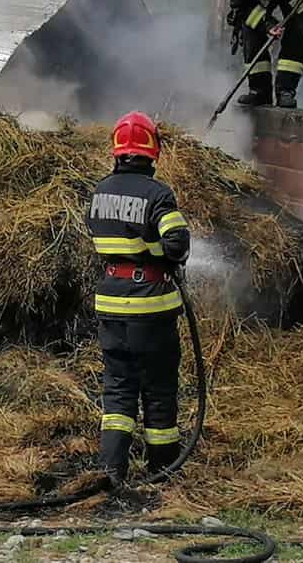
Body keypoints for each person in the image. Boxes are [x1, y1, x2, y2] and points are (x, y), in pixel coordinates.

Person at [86, 111, 190, 488]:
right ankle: (162, 468)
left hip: (110, 301)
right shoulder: (158, 193)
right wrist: (157, 252)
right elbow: (177, 242)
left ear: (117, 151)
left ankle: (111, 470)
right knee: (158, 386)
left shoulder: (99, 191)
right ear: (152, 152)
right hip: (150, 305)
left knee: (118, 386)